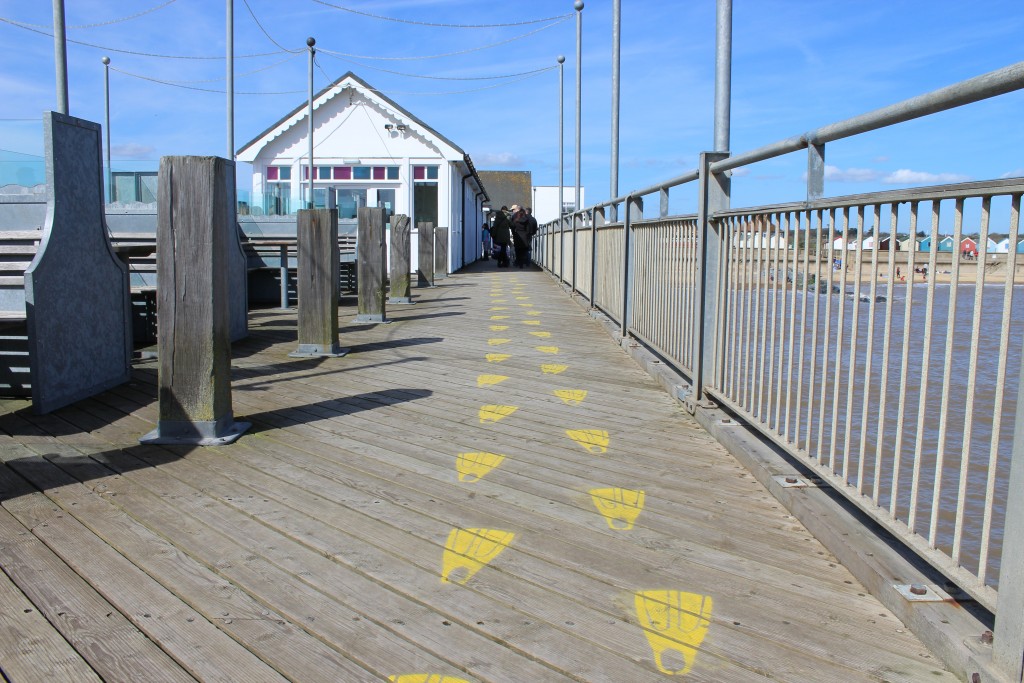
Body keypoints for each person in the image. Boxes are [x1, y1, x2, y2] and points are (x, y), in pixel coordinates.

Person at [510, 205, 531, 269]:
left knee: (517, 250)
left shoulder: (514, 216)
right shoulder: (526, 218)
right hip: (524, 236)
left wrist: (514, 233)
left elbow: (512, 226)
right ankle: (522, 263)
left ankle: (518, 262)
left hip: (517, 235)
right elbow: (528, 228)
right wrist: (527, 234)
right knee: (523, 251)